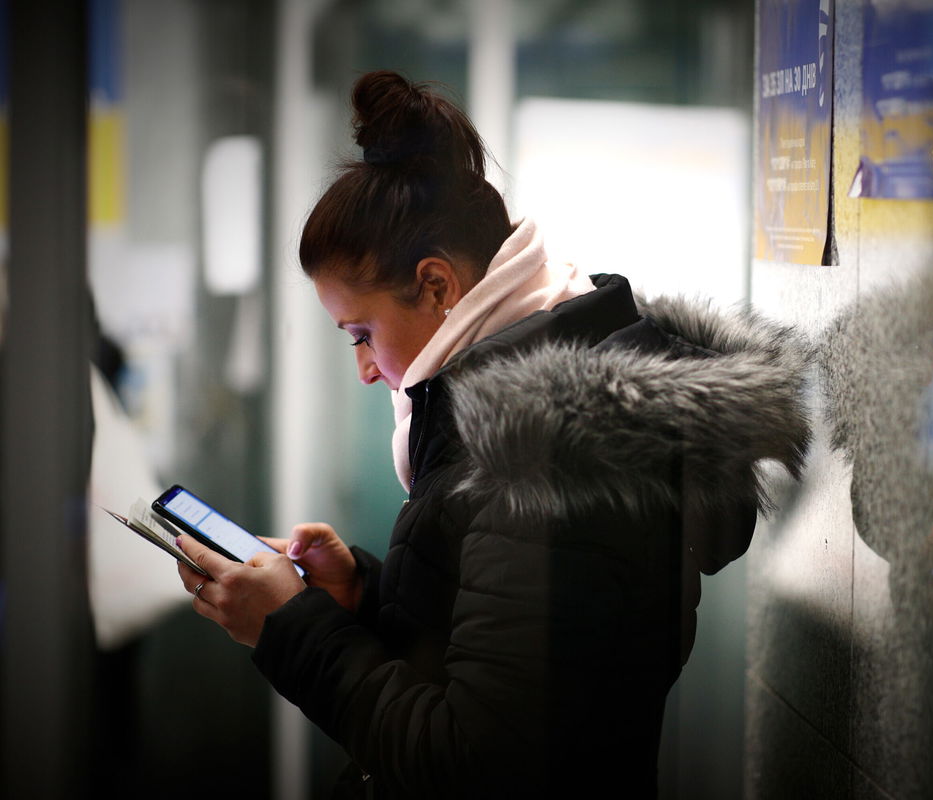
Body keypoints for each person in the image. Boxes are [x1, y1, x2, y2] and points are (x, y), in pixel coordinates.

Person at [175, 70, 811, 798]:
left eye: (360, 333)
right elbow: (495, 653)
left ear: (439, 286)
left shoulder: (554, 458)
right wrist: (357, 596)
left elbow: (475, 763)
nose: (363, 370)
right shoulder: (535, 435)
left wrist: (289, 628)